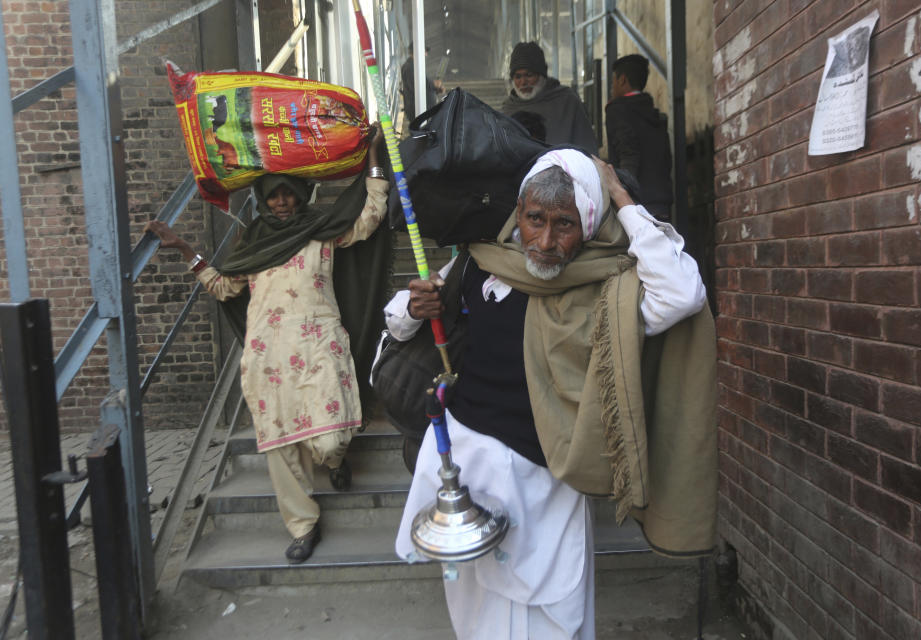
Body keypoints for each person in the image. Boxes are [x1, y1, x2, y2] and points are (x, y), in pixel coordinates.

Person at [385, 148, 717, 639]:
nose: (543, 241)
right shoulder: (481, 263)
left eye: (563, 224)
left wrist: (622, 199)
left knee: (554, 611)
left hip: (547, 476)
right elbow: (399, 320)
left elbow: (683, 294)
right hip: (469, 461)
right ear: (517, 212)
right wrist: (417, 306)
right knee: (476, 608)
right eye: (534, 218)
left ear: (588, 222)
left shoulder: (609, 290)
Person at [146, 127, 390, 564]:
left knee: (331, 439)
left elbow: (369, 217)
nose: (280, 202)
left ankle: (335, 464)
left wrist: (373, 155)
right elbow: (224, 287)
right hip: (268, 356)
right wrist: (186, 250)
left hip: (320, 346)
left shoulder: (322, 232)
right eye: (273, 196)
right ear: (263, 199)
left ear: (300, 194)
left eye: (287, 194)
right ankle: (303, 524)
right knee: (280, 443)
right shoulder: (254, 242)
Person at [605, 54, 674, 221]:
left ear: (622, 80)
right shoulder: (654, 114)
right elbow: (666, 158)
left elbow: (628, 153)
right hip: (661, 201)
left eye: (613, 80)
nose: (612, 86)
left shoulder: (617, 110)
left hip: (636, 203)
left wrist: (623, 197)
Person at [501, 42, 597, 154]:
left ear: (542, 75)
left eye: (529, 75)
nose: (523, 82)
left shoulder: (567, 101)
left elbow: (586, 145)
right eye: (518, 76)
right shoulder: (508, 108)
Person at [401, 45, 444, 128]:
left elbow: (425, 86)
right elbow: (416, 88)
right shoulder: (410, 67)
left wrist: (436, 89)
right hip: (418, 112)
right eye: (424, 52)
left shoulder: (414, 66)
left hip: (423, 112)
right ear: (416, 51)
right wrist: (434, 84)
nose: (426, 55)